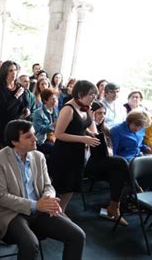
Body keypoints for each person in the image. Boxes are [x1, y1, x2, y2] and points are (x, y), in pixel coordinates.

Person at [0, 120, 85, 260]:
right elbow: (1, 197)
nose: (35, 139)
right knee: (30, 244)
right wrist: (36, 205)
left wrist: (48, 198)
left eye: (33, 134)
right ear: (14, 141)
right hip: (11, 213)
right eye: (28, 136)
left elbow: (48, 186)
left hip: (40, 209)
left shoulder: (38, 156)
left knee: (77, 235)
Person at [50, 80, 100, 213]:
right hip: (64, 152)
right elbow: (59, 134)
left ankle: (62, 210)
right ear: (79, 94)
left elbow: (86, 128)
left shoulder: (86, 108)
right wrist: (83, 138)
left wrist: (90, 133)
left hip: (78, 152)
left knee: (72, 185)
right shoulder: (68, 109)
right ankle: (51, 211)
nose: (94, 98)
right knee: (60, 185)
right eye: (91, 94)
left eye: (95, 95)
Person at [85, 101, 130, 225]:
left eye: (104, 113)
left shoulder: (105, 128)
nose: (102, 116)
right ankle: (135, 189)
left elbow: (108, 152)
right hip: (87, 164)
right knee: (121, 162)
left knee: (118, 173)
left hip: (102, 163)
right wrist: (90, 121)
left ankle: (114, 207)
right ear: (91, 114)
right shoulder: (86, 128)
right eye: (99, 113)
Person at [0, 61, 29, 150]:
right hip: (2, 123)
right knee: (2, 152)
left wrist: (27, 108)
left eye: (15, 70)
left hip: (15, 122)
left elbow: (25, 101)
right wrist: (16, 96)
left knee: (14, 150)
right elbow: (5, 108)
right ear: (5, 72)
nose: (14, 73)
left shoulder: (19, 86)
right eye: (11, 70)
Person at [32, 88, 59, 155]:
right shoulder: (37, 113)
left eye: (55, 98)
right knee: (56, 149)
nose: (55, 100)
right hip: (42, 140)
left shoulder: (56, 110)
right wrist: (53, 125)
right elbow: (40, 129)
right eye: (52, 99)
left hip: (54, 138)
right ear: (45, 100)